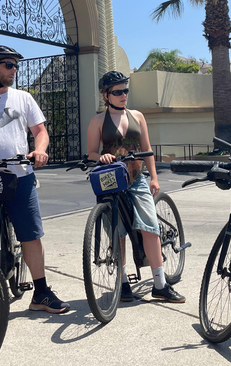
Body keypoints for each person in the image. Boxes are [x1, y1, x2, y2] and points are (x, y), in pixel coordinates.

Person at [0, 45, 70, 314]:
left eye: (16, 66)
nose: (14, 70)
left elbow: (40, 131)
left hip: (21, 175)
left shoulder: (23, 98)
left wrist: (40, 150)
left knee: (31, 235)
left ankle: (41, 292)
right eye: (9, 65)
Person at [86, 71, 185, 303]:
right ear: (106, 95)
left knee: (150, 226)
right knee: (116, 231)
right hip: (111, 179)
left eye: (125, 91)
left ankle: (160, 283)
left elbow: (147, 147)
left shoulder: (138, 116)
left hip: (137, 176)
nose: (123, 96)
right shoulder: (97, 121)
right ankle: (122, 281)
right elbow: (91, 152)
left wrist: (154, 177)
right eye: (117, 92)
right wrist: (100, 158)